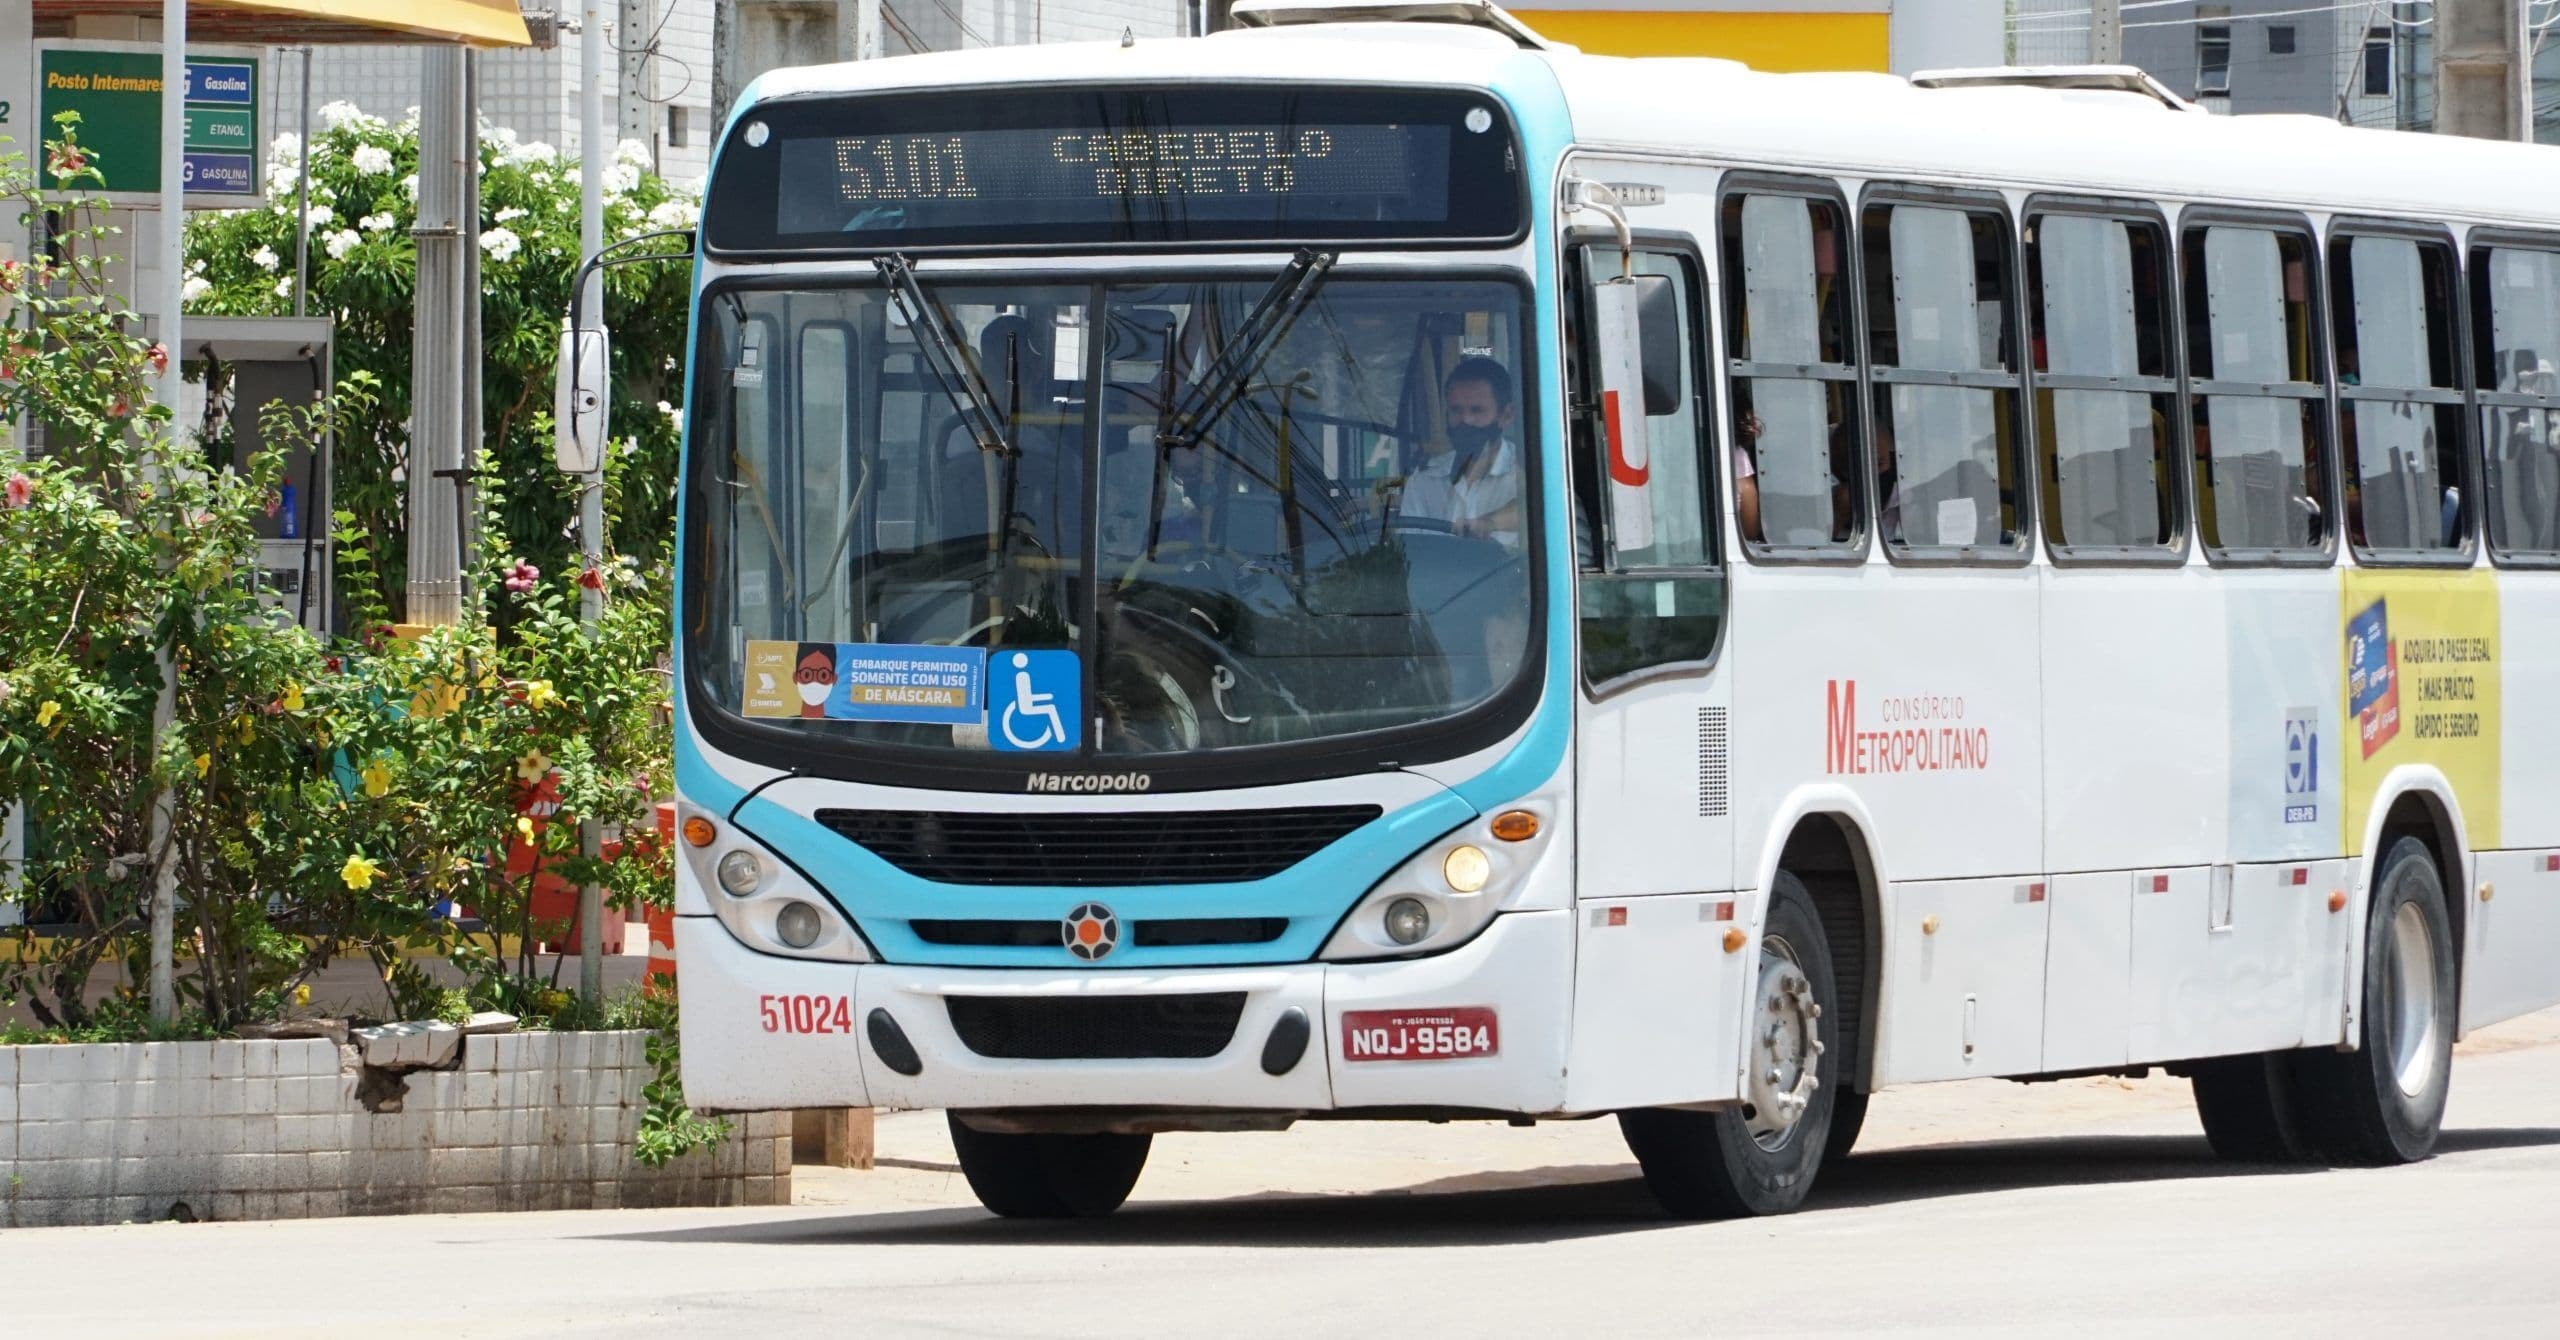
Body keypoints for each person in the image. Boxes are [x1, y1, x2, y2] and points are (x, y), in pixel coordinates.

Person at [1401, 357, 1524, 547]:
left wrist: (1490, 523)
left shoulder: (1527, 471)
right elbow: (1410, 555)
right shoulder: (1423, 482)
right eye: (1456, 410)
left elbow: (1543, 509)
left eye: (1477, 410)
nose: (1465, 420)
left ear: (1506, 416)